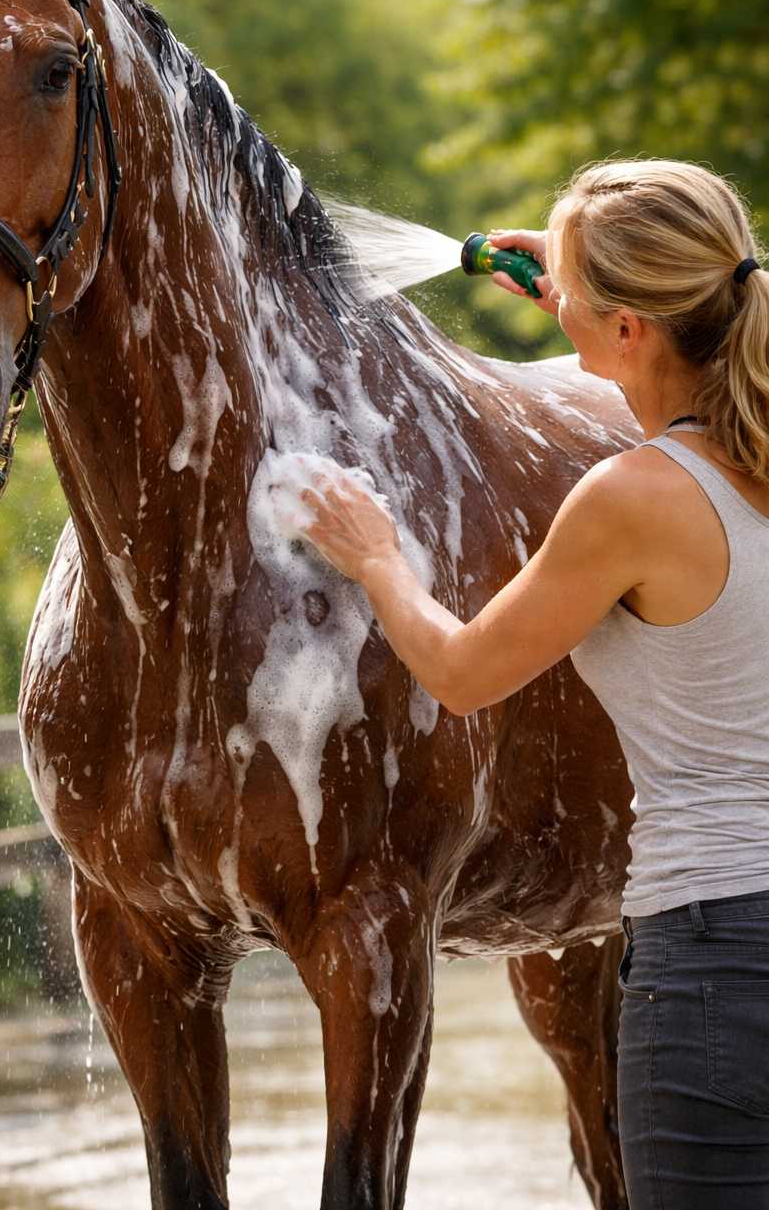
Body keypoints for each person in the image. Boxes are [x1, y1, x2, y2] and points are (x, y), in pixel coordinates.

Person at [299, 159, 769, 1209]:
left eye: (580, 304)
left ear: (630, 330)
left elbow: (462, 673)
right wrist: (583, 296)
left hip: (718, 969)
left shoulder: (632, 500)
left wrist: (377, 557)